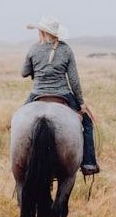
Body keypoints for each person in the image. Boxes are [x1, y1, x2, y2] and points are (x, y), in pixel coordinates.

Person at [22, 16, 99, 175]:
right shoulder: (66, 50)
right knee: (87, 122)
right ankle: (89, 163)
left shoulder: (34, 49)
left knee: (18, 120)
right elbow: (74, 81)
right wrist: (81, 103)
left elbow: (24, 72)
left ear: (42, 32)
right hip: (63, 93)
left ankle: (21, 162)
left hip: (37, 93)